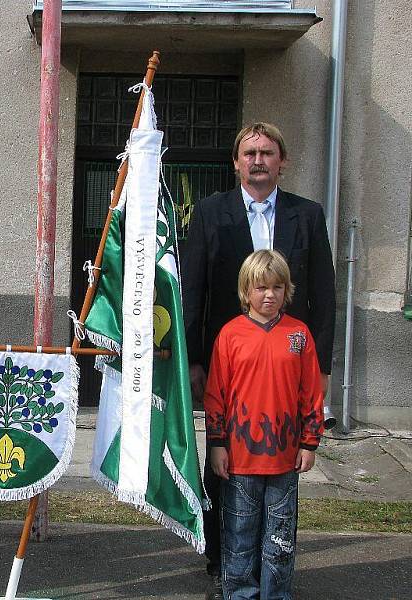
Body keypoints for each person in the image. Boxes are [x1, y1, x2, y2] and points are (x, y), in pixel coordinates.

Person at [181, 122, 335, 600]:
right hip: (228, 362)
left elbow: (325, 294)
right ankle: (222, 565)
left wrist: (322, 366)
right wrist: (193, 359)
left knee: (279, 488)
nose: (258, 160)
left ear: (281, 161)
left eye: (267, 152)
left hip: (287, 364)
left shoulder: (306, 216)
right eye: (249, 153)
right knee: (223, 469)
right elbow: (193, 288)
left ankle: (272, 575)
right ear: (235, 162)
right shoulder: (211, 213)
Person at [204, 249, 323, 599]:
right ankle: (239, 593)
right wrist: (217, 444)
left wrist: (309, 442)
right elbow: (215, 395)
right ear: (246, 291)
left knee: (280, 538)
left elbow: (311, 392)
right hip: (240, 460)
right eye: (261, 287)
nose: (269, 294)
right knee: (239, 536)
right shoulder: (230, 335)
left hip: (285, 460)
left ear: (287, 290)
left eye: (277, 287)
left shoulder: (299, 335)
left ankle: (276, 593)